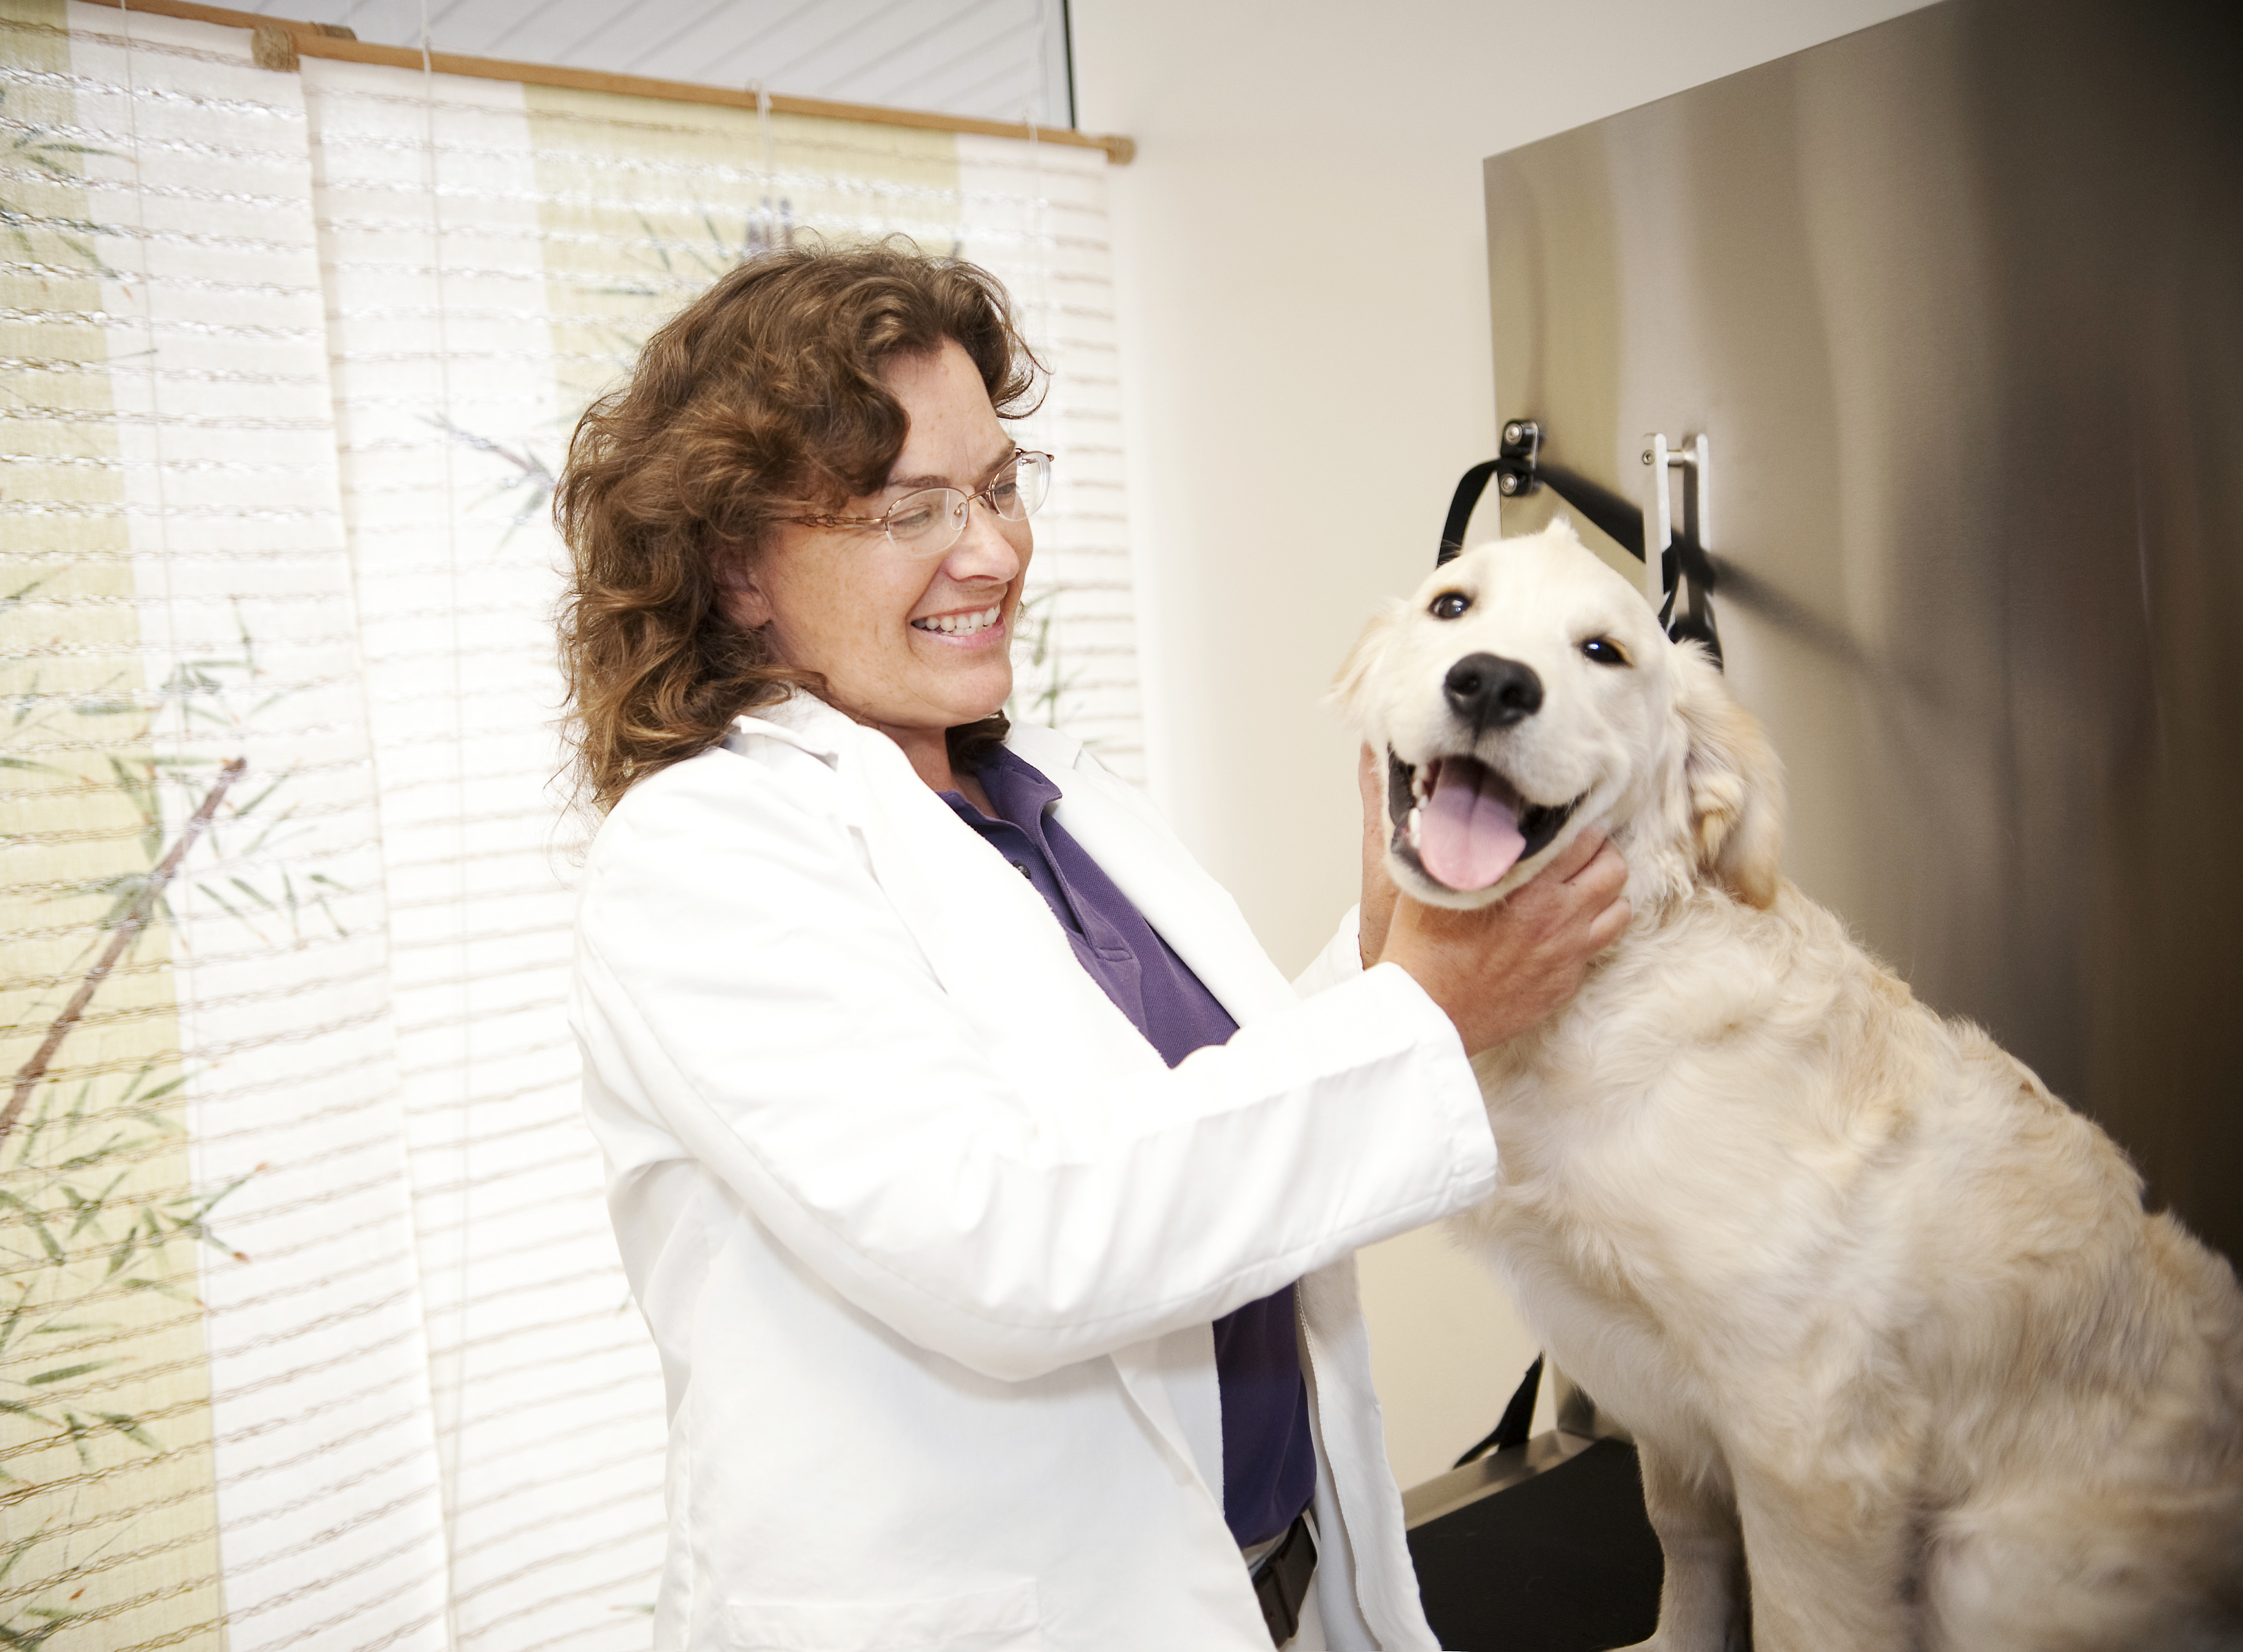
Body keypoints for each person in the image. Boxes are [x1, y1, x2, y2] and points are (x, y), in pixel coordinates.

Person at [556, 242, 1629, 1652]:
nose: (993, 550)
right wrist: (1423, 1016)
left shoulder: (1053, 794)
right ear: (739, 567)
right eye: (907, 510)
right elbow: (1003, 1238)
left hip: (1270, 1586)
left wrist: (1379, 968)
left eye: (999, 486)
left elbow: (1172, 1124)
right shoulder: (700, 856)